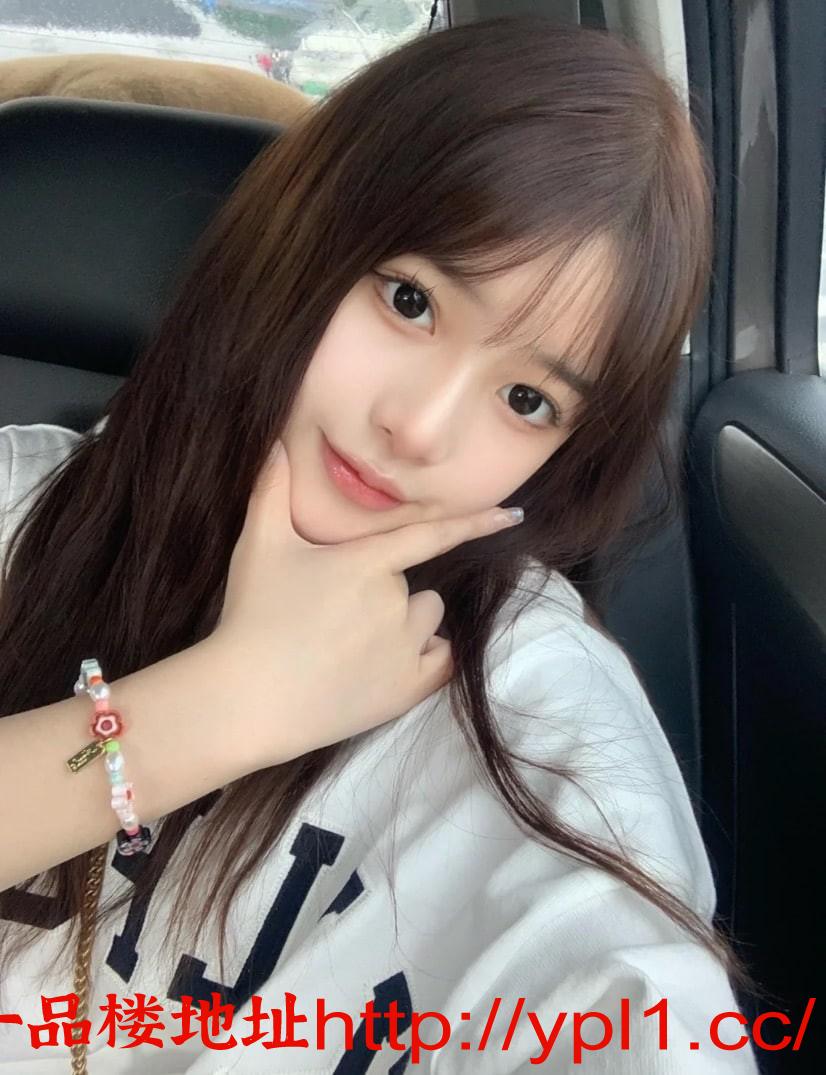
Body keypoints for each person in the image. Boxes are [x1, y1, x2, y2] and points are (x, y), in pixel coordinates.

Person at [0, 16, 764, 1073]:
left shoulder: (533, 708)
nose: (420, 428)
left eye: (527, 399)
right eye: (411, 301)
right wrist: (218, 706)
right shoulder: (23, 497)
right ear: (304, 233)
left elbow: (623, 994)